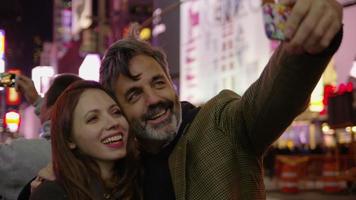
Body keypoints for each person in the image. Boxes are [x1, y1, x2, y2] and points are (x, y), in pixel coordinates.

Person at [99, 0, 343, 199]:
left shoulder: (221, 123)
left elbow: (272, 99)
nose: (153, 99)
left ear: (173, 87)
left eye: (158, 82)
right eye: (134, 94)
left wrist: (306, 47)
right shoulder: (118, 170)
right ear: (118, 109)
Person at [30, 80, 141, 200]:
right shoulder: (53, 193)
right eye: (93, 118)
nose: (113, 123)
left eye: (116, 112)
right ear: (69, 139)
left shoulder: (143, 178)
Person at [0, 74, 81, 200]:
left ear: (52, 108)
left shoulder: (19, 154)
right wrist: (37, 100)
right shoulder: (82, 151)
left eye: (46, 96)